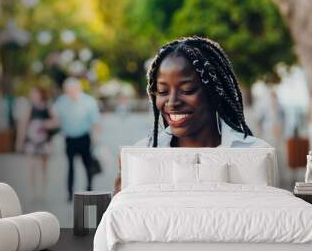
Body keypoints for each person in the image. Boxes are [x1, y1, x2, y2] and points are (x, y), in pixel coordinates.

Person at [114, 36, 271, 193]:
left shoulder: (254, 154)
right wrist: (121, 191)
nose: (172, 102)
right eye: (162, 91)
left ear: (214, 92)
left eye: (187, 90)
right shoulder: (143, 155)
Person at [48, 77, 101, 202]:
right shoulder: (62, 101)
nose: (69, 92)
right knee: (70, 166)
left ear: (78, 89)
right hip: (69, 138)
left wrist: (96, 138)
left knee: (87, 165)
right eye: (67, 90)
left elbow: (96, 121)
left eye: (71, 89)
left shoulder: (89, 101)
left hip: (84, 137)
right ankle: (69, 193)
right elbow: (54, 114)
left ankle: (89, 189)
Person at [15, 86, 52, 201]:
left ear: (41, 94)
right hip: (32, 140)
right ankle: (33, 192)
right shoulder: (29, 108)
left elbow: (56, 121)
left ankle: (42, 192)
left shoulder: (47, 107)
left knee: (43, 167)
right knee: (31, 167)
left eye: (35, 93)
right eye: (32, 93)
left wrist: (44, 124)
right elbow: (23, 125)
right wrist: (19, 141)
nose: (33, 95)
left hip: (44, 141)